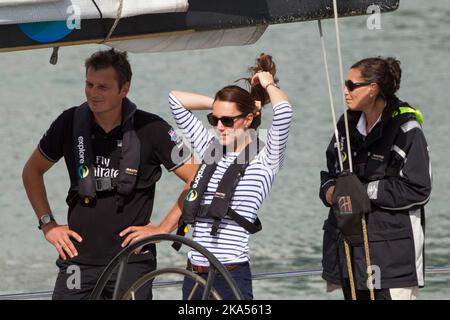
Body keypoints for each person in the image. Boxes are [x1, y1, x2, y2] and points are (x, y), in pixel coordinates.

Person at [22, 49, 196, 300]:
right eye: (89, 84)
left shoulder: (153, 128)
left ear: (124, 89)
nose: (93, 93)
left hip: (132, 261)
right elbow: (32, 171)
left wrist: (161, 229)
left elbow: (198, 179)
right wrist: (48, 225)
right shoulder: (69, 122)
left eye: (103, 87)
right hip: (77, 259)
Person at [165, 53, 293, 300]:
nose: (220, 126)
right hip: (194, 276)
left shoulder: (266, 157)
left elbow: (284, 112)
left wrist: (268, 84)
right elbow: (175, 100)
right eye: (215, 119)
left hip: (230, 277)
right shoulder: (209, 147)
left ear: (247, 119)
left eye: (227, 120)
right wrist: (221, 106)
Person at [319, 57, 432, 300]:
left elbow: (418, 189)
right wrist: (330, 191)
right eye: (344, 84)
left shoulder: (407, 129)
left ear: (373, 89)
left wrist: (363, 191)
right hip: (350, 256)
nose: (345, 91)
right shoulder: (346, 125)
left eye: (351, 85)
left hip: (392, 261)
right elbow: (330, 174)